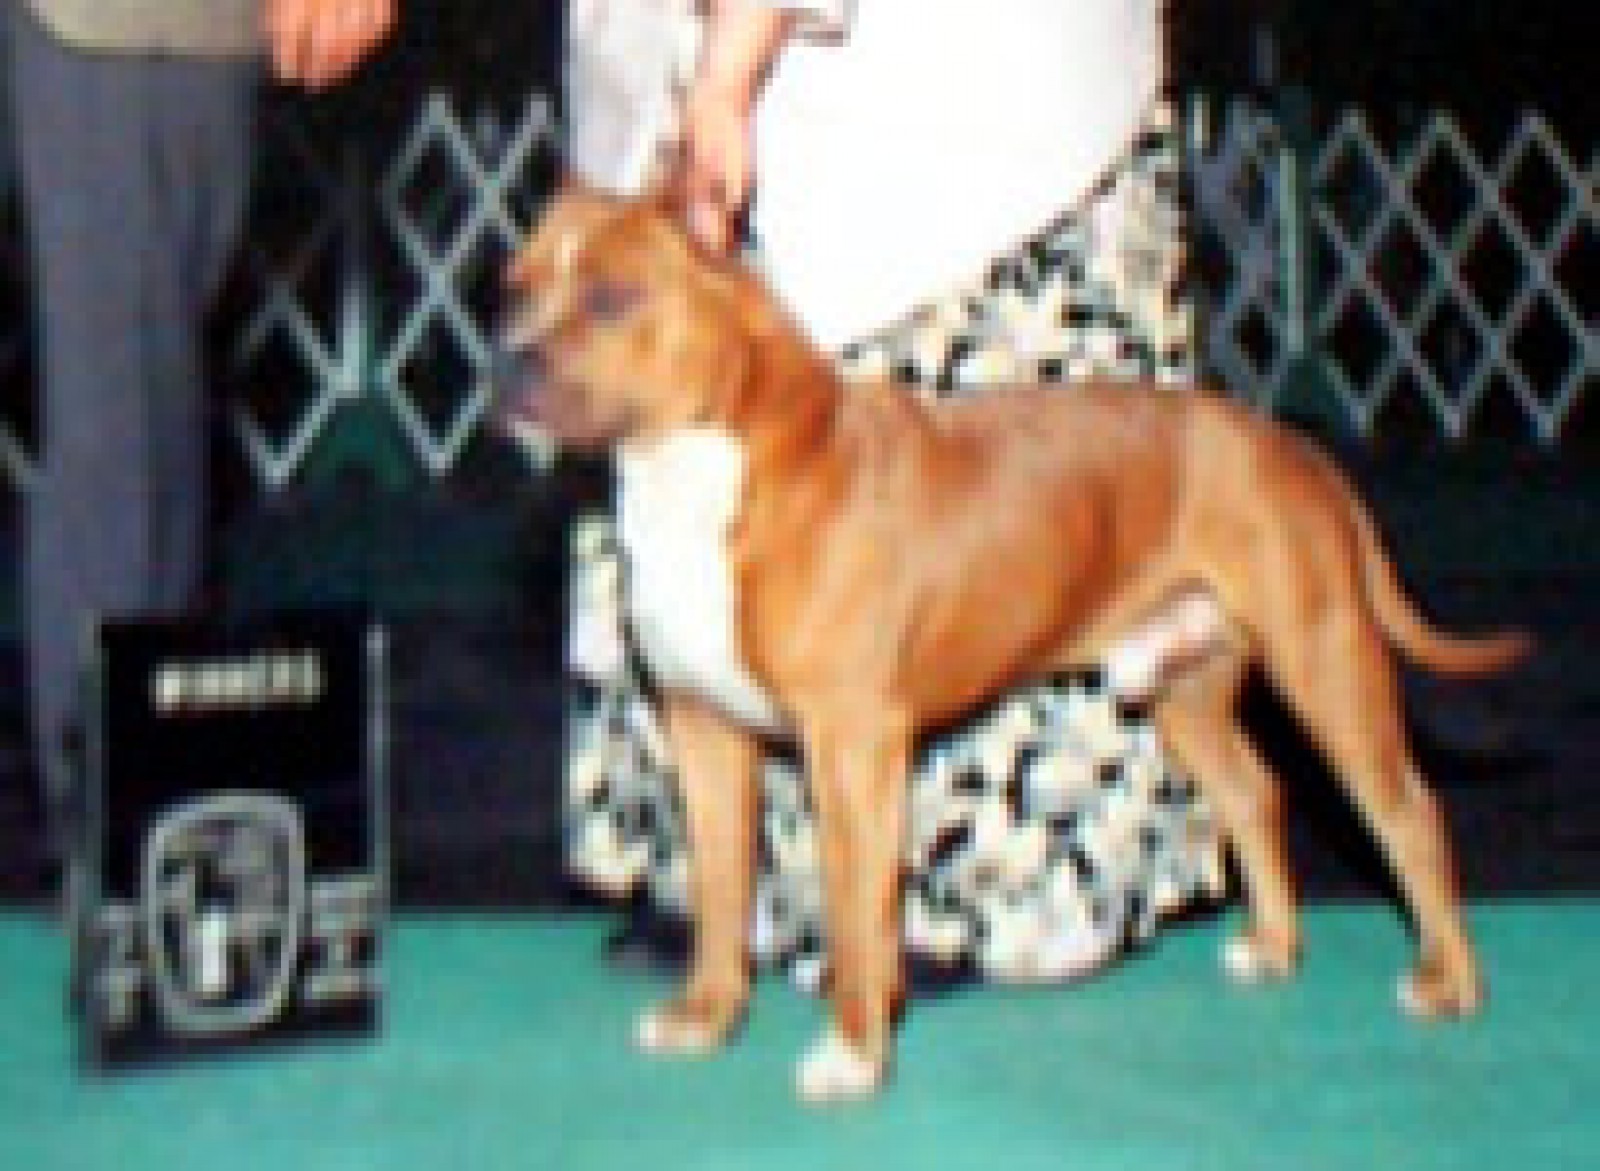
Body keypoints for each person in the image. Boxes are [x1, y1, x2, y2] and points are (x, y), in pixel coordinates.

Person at [563, 0, 1223, 987]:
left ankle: (957, 891)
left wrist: (730, 68)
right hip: (670, 76)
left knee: (970, 549)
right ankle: (720, 900)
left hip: (947, 117)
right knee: (680, 523)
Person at [3, 0, 398, 894]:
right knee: (121, 432)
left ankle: (137, 824)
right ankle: (106, 831)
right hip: (110, 27)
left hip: (201, 33)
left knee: (162, 430)